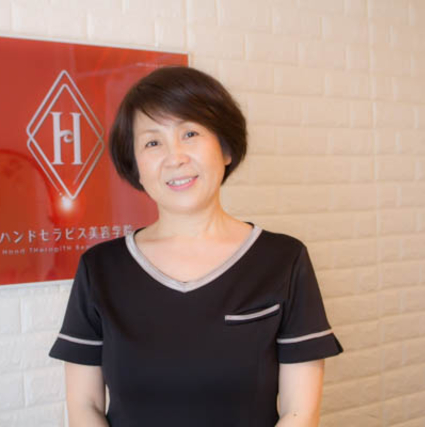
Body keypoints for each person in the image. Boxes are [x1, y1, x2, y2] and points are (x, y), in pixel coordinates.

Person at [48, 65, 344, 427]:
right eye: (153, 142)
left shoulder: (283, 260)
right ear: (135, 166)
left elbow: (300, 411)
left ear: (226, 149)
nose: (175, 157)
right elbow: (85, 406)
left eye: (190, 133)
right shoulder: (101, 268)